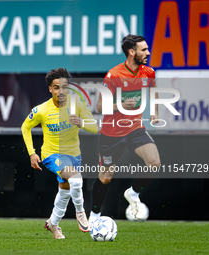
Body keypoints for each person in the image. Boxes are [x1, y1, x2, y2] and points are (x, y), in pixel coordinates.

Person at [89, 34, 161, 224]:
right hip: (111, 132)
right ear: (132, 52)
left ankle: (133, 192)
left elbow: (153, 91)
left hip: (135, 128)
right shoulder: (114, 75)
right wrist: (121, 105)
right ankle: (94, 215)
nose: (148, 52)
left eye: (147, 48)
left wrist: (154, 113)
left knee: (154, 162)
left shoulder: (149, 72)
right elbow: (99, 107)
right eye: (143, 49)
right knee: (105, 178)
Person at [21, 68, 98, 239]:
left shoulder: (77, 103)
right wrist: (32, 153)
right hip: (52, 155)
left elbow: (94, 127)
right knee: (76, 179)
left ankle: (52, 224)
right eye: (56, 87)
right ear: (50, 89)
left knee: (65, 189)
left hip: (74, 155)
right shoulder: (41, 110)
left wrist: (82, 122)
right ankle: (81, 212)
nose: (61, 91)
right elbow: (25, 127)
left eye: (64, 87)